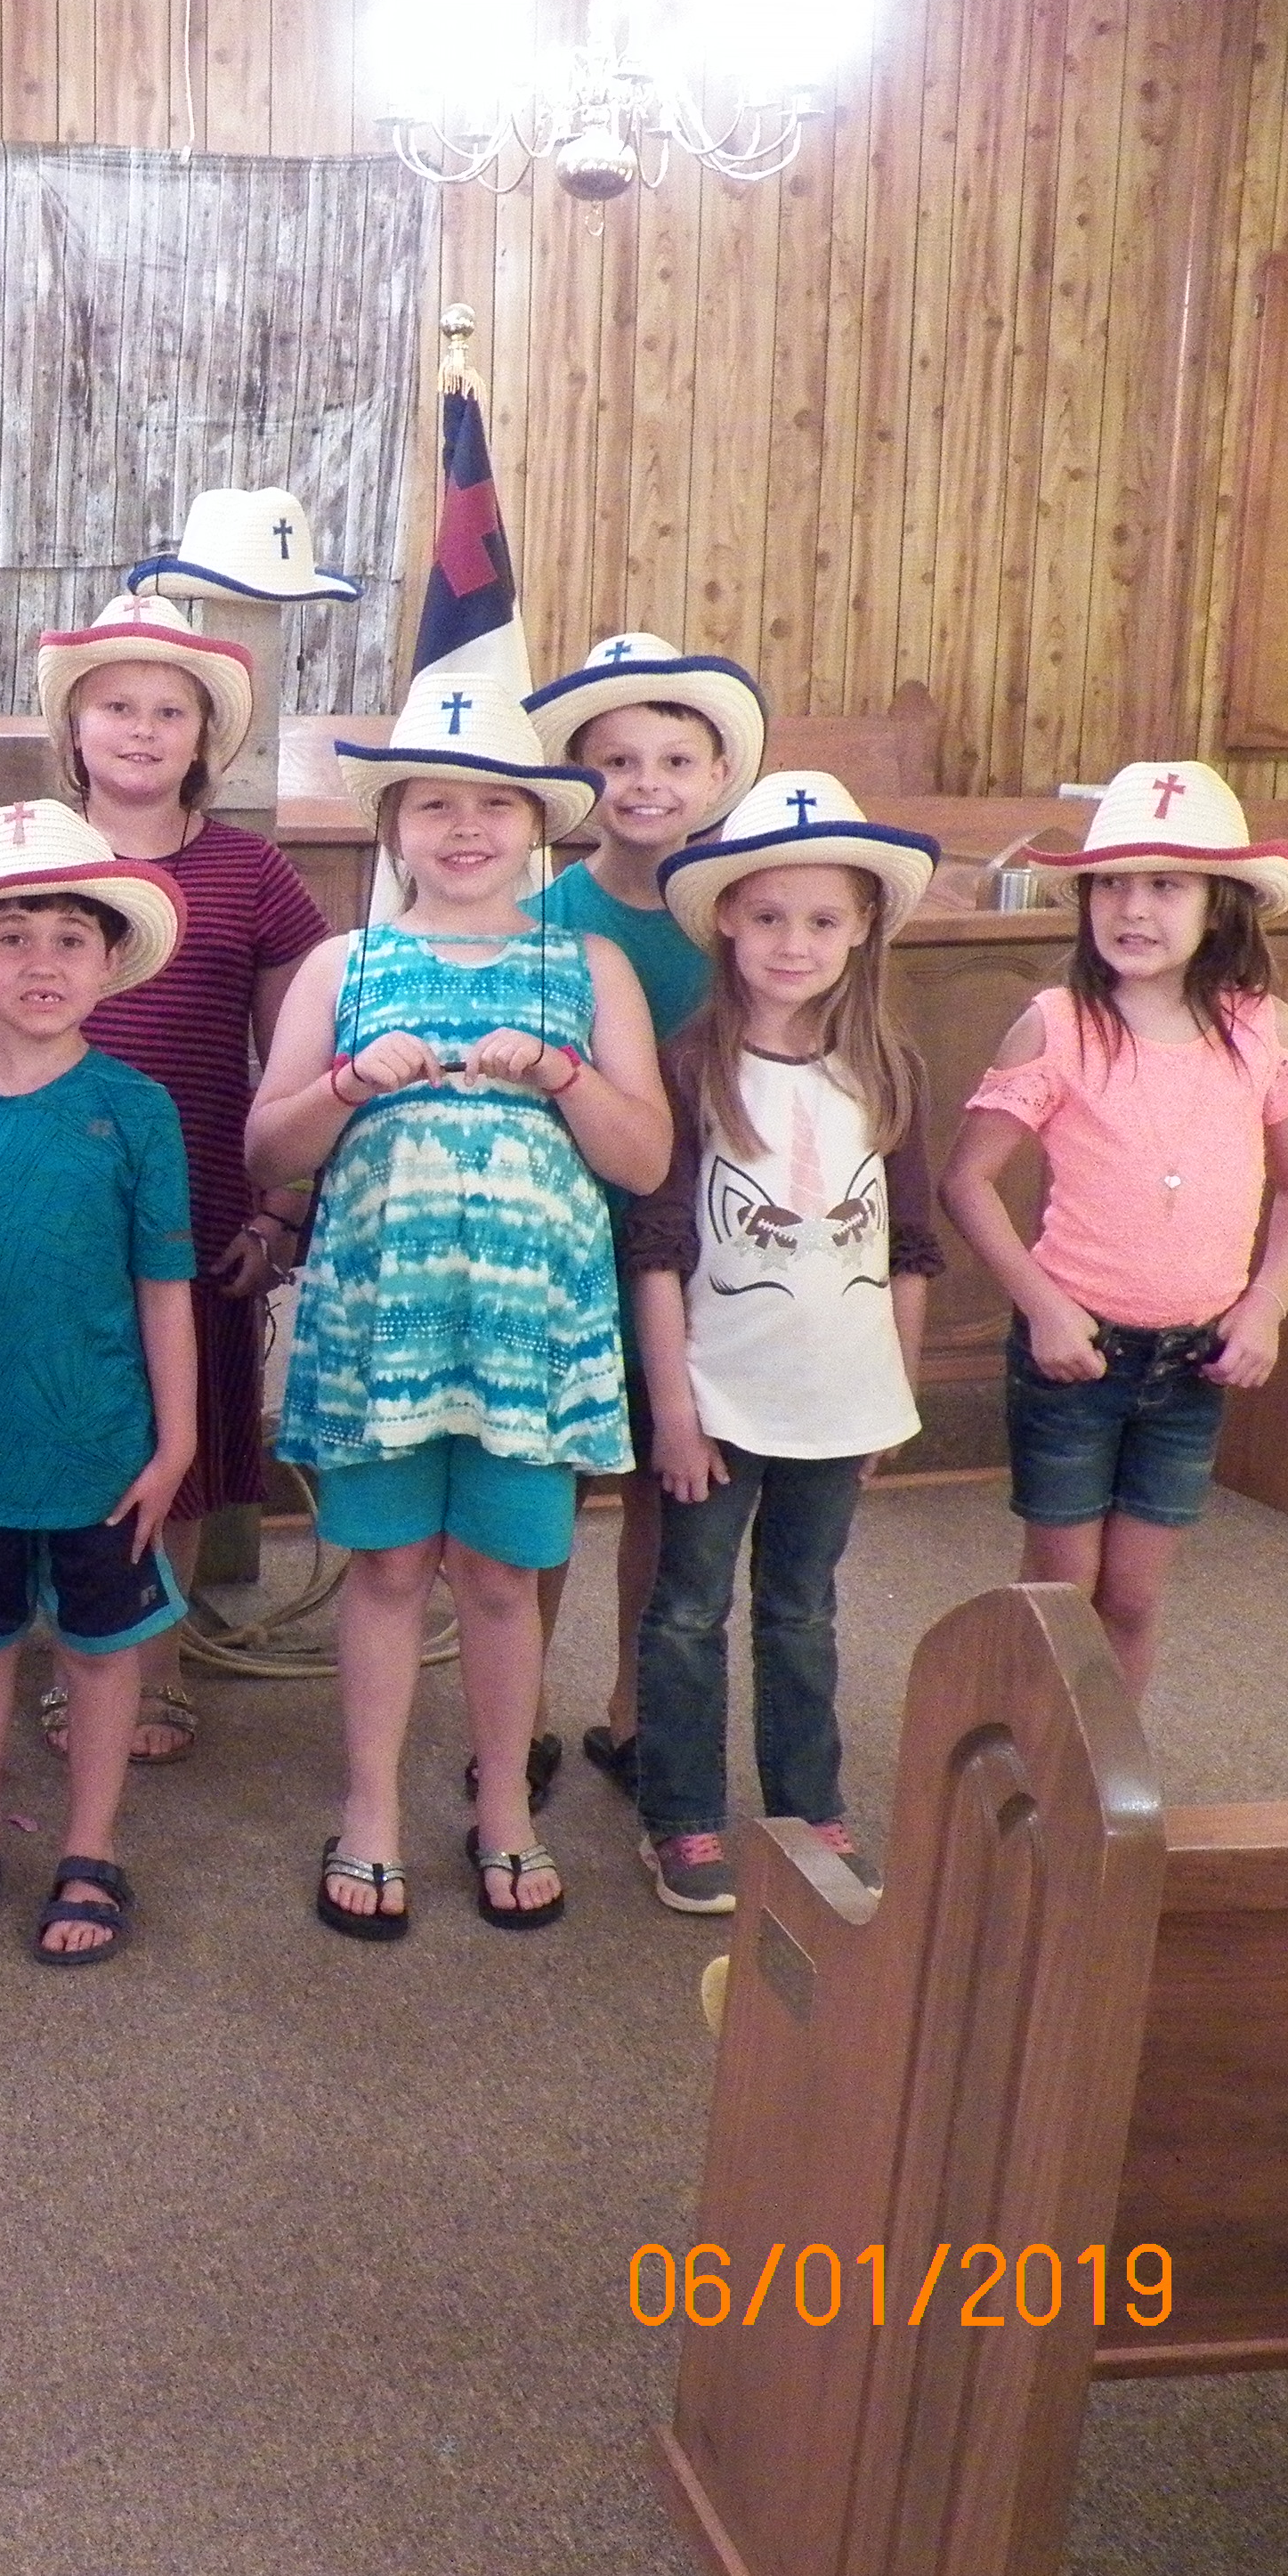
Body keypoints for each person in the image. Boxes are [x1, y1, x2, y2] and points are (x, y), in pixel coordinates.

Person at [247, 679, 670, 1937]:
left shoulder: (586, 964)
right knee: (385, 1566)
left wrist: (565, 1073)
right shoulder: (343, 962)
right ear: (393, 826)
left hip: (526, 1334)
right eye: (434, 805)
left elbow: (644, 1159)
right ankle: (370, 1808)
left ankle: (504, 1805)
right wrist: (343, 1085)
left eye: (494, 804)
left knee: (500, 1574)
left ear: (536, 823)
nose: (466, 827)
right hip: (381, 1321)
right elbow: (269, 1150)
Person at [0, 803, 199, 1967]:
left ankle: (90, 1847)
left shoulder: (138, 1109)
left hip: (102, 1443)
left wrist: (175, 1441)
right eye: (12, 937)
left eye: (69, 938)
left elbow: (165, 1285)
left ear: (110, 961)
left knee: (102, 1652)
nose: (41, 962)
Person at [939, 761, 1288, 1706]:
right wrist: (1044, 1308)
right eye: (1110, 883)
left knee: (1132, 1592)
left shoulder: (1264, 1029)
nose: (1132, 907)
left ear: (1220, 905)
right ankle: (1025, 1751)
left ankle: (1109, 1769)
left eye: (1165, 885)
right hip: (1077, 1352)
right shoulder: (1056, 1025)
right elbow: (967, 1181)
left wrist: (1266, 1305)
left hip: (1197, 1359)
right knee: (1061, 1585)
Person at [623, 776, 946, 1914]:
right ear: (725, 919)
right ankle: (681, 1820)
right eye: (767, 916)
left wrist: (895, 1390)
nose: (792, 943)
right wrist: (673, 1410)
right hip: (718, 1398)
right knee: (687, 1612)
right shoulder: (688, 1067)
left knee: (803, 1610)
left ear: (862, 926)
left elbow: (908, 1250)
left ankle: (809, 1806)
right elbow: (656, 1250)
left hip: (839, 1398)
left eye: (820, 920)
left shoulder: (888, 1071)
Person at [25, 594, 329, 1764]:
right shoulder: (28, 856)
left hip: (198, 1197)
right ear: (76, 726)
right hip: (52, 1203)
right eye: (117, 706)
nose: (142, 730)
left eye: (169, 711)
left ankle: (157, 1664)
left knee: (179, 1436)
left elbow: (294, 1058)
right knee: (69, 1429)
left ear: (206, 737)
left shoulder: (252, 874)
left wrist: (281, 1206)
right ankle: (78, 1654)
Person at [522, 631, 768, 1800]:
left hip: (704, 1241)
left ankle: (632, 1704)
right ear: (577, 780)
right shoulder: (542, 920)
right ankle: (517, 1705)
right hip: (568, 1238)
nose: (645, 784)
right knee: (551, 1486)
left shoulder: (742, 922)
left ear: (717, 776)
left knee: (668, 1482)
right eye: (615, 762)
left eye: (673, 761)